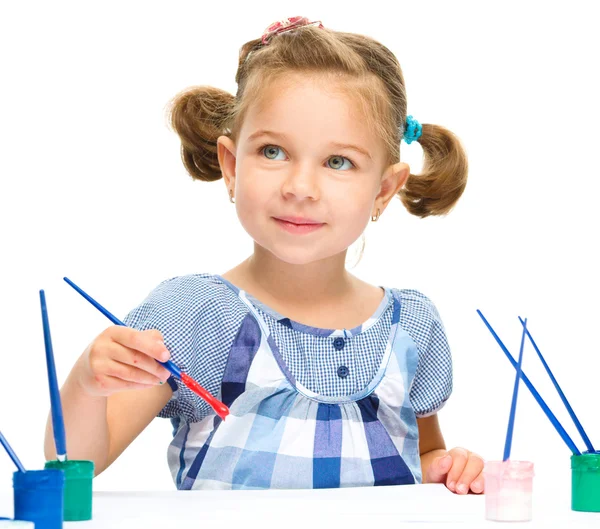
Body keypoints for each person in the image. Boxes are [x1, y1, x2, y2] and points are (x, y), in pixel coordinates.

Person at [45, 16, 484, 494]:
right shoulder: (195, 317)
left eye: (338, 162)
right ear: (231, 166)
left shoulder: (411, 326)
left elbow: (420, 455)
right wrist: (87, 385)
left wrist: (446, 466)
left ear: (383, 189)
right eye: (273, 152)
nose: (299, 187)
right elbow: (79, 461)